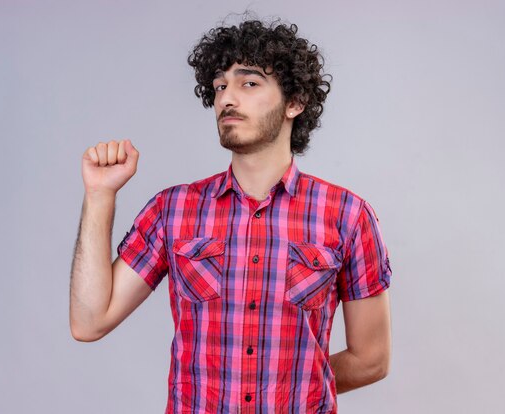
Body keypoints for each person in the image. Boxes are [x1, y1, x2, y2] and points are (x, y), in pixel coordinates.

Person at [70, 17, 393, 414]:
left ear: (295, 102)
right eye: (220, 85)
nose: (227, 98)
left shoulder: (347, 216)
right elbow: (89, 322)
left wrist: (296, 388)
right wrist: (99, 195)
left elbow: (371, 359)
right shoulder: (173, 211)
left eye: (249, 83)